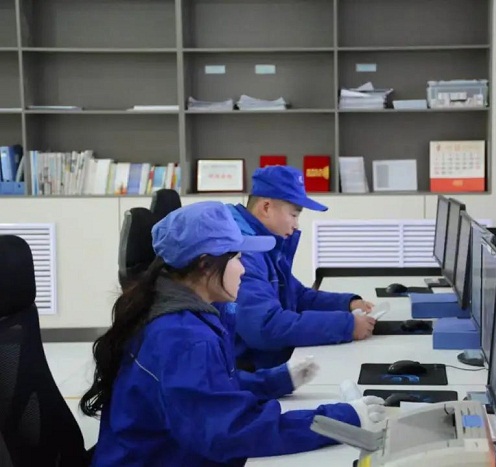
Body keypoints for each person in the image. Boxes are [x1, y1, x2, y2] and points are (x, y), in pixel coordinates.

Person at [80, 201, 386, 466]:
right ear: (205, 265)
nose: (244, 269)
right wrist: (342, 420)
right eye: (238, 258)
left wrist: (276, 380)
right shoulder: (184, 338)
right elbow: (231, 431)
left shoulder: (179, 310)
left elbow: (207, 388)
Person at [228, 165, 376, 370]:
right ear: (266, 208)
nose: (296, 225)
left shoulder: (266, 246)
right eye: (294, 215)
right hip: (251, 372)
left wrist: (347, 304)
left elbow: (296, 296)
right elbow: (265, 326)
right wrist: (346, 326)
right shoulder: (245, 253)